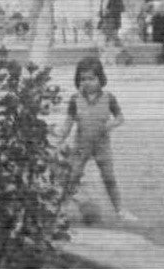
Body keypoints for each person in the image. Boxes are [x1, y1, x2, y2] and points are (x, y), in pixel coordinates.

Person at [55, 54, 136, 225]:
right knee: (73, 176)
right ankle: (61, 210)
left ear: (100, 78)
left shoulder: (109, 98)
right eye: (83, 79)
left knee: (109, 177)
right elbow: (68, 124)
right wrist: (59, 140)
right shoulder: (75, 99)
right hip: (81, 144)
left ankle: (120, 210)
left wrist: (110, 125)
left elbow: (120, 118)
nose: (87, 82)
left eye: (91, 78)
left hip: (102, 145)